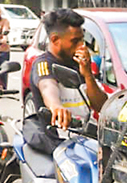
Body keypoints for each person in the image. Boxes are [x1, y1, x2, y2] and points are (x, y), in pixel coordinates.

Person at [24, 9, 107, 154]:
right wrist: (56, 107)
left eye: (82, 40)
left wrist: (88, 74)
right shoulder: (43, 64)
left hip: (87, 141)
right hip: (60, 145)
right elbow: (47, 86)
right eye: (75, 41)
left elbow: (101, 106)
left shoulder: (79, 63)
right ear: (55, 40)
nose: (81, 46)